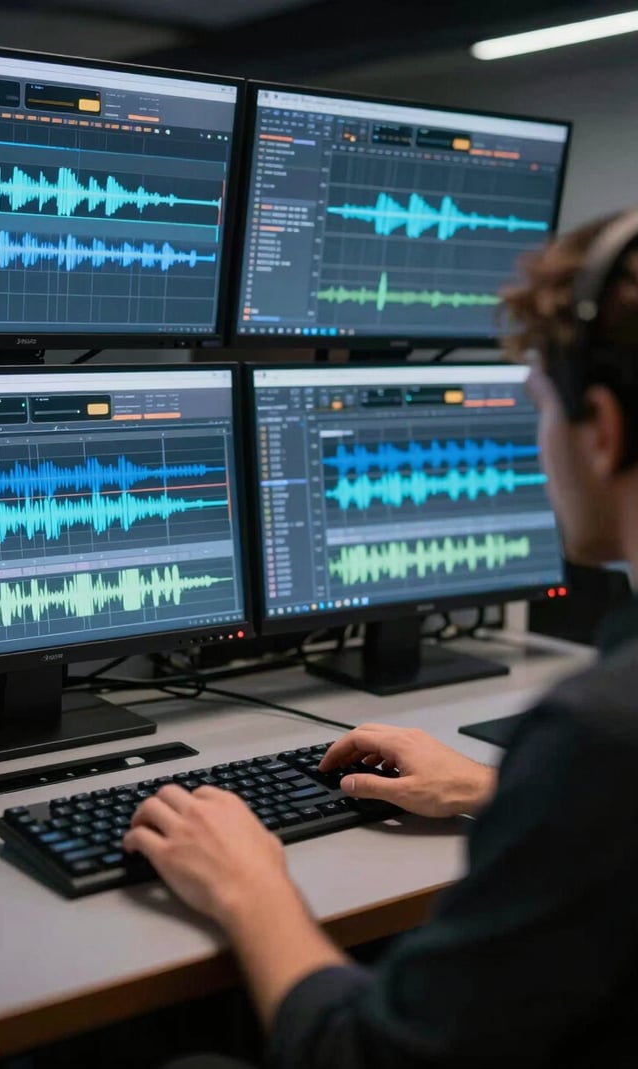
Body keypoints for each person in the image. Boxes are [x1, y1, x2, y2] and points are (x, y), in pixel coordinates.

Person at [122, 208, 638, 1069]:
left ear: (603, 427)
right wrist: (496, 790)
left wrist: (250, 886)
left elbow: (364, 1055)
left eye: (540, 408)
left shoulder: (600, 734)